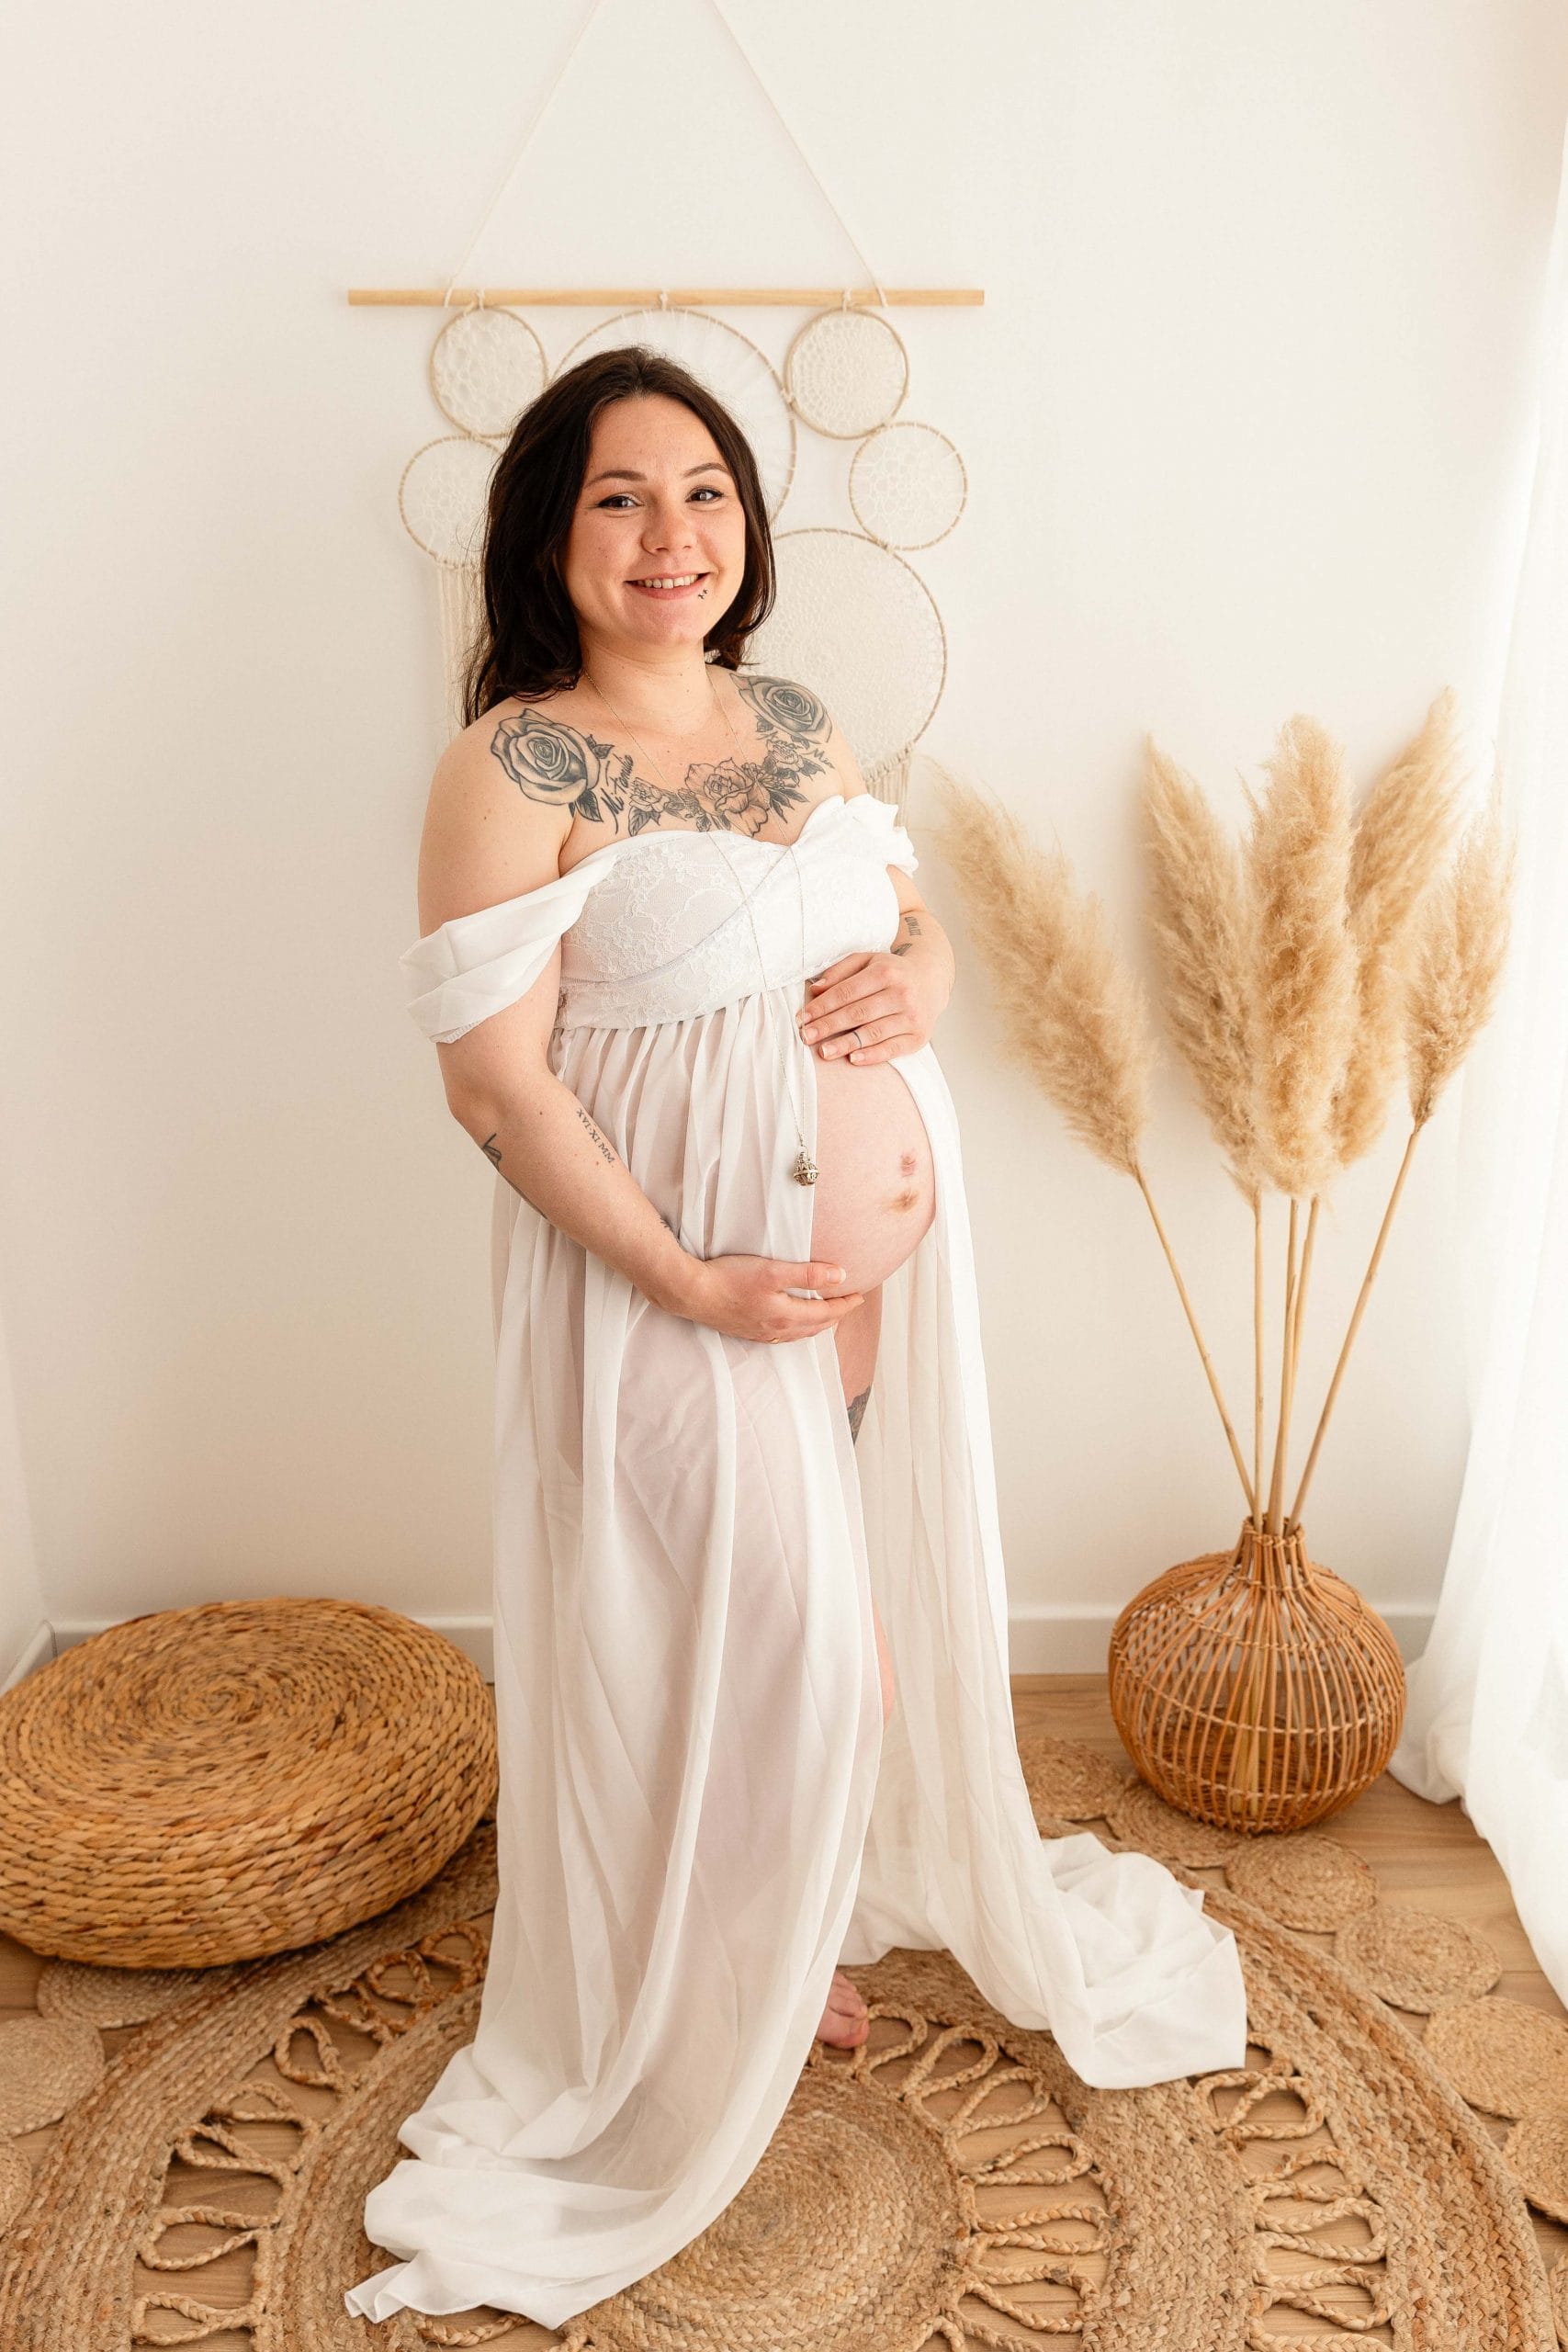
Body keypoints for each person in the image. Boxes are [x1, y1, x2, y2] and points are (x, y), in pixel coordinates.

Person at [344, 346, 1248, 2334]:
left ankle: (779, 1926)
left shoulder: (794, 717)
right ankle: (689, 1994)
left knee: (810, 1631)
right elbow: (494, 1088)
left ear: (745, 529)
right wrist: (688, 1278)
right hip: (665, 1281)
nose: (669, 534)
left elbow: (906, 918)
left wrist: (923, 982)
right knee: (765, 1639)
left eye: (704, 493)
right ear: (548, 536)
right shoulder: (511, 766)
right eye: (617, 496)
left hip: (853, 1298)